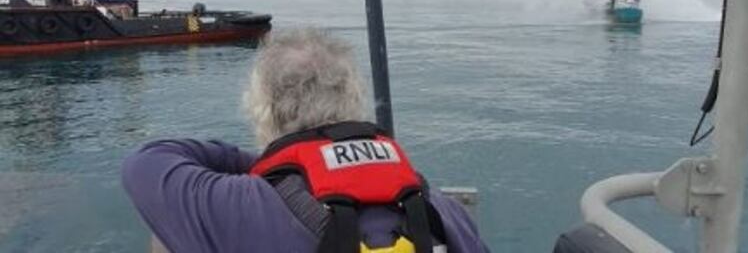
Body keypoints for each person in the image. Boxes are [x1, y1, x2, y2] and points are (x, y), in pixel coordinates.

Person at [122, 28, 489, 253]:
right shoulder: (441, 211)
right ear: (355, 102)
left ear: (262, 110)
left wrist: (283, 166)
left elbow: (147, 162)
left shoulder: (240, 206)